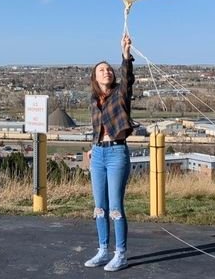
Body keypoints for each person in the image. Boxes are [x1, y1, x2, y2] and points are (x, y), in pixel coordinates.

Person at [84, 34, 134, 272]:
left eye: (109, 69)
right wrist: (92, 148)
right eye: (101, 70)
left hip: (116, 154)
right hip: (98, 154)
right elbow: (96, 128)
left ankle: (120, 253)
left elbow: (127, 78)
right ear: (95, 77)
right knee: (99, 207)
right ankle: (103, 250)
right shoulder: (94, 100)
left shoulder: (120, 94)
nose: (107, 72)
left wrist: (125, 54)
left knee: (115, 207)